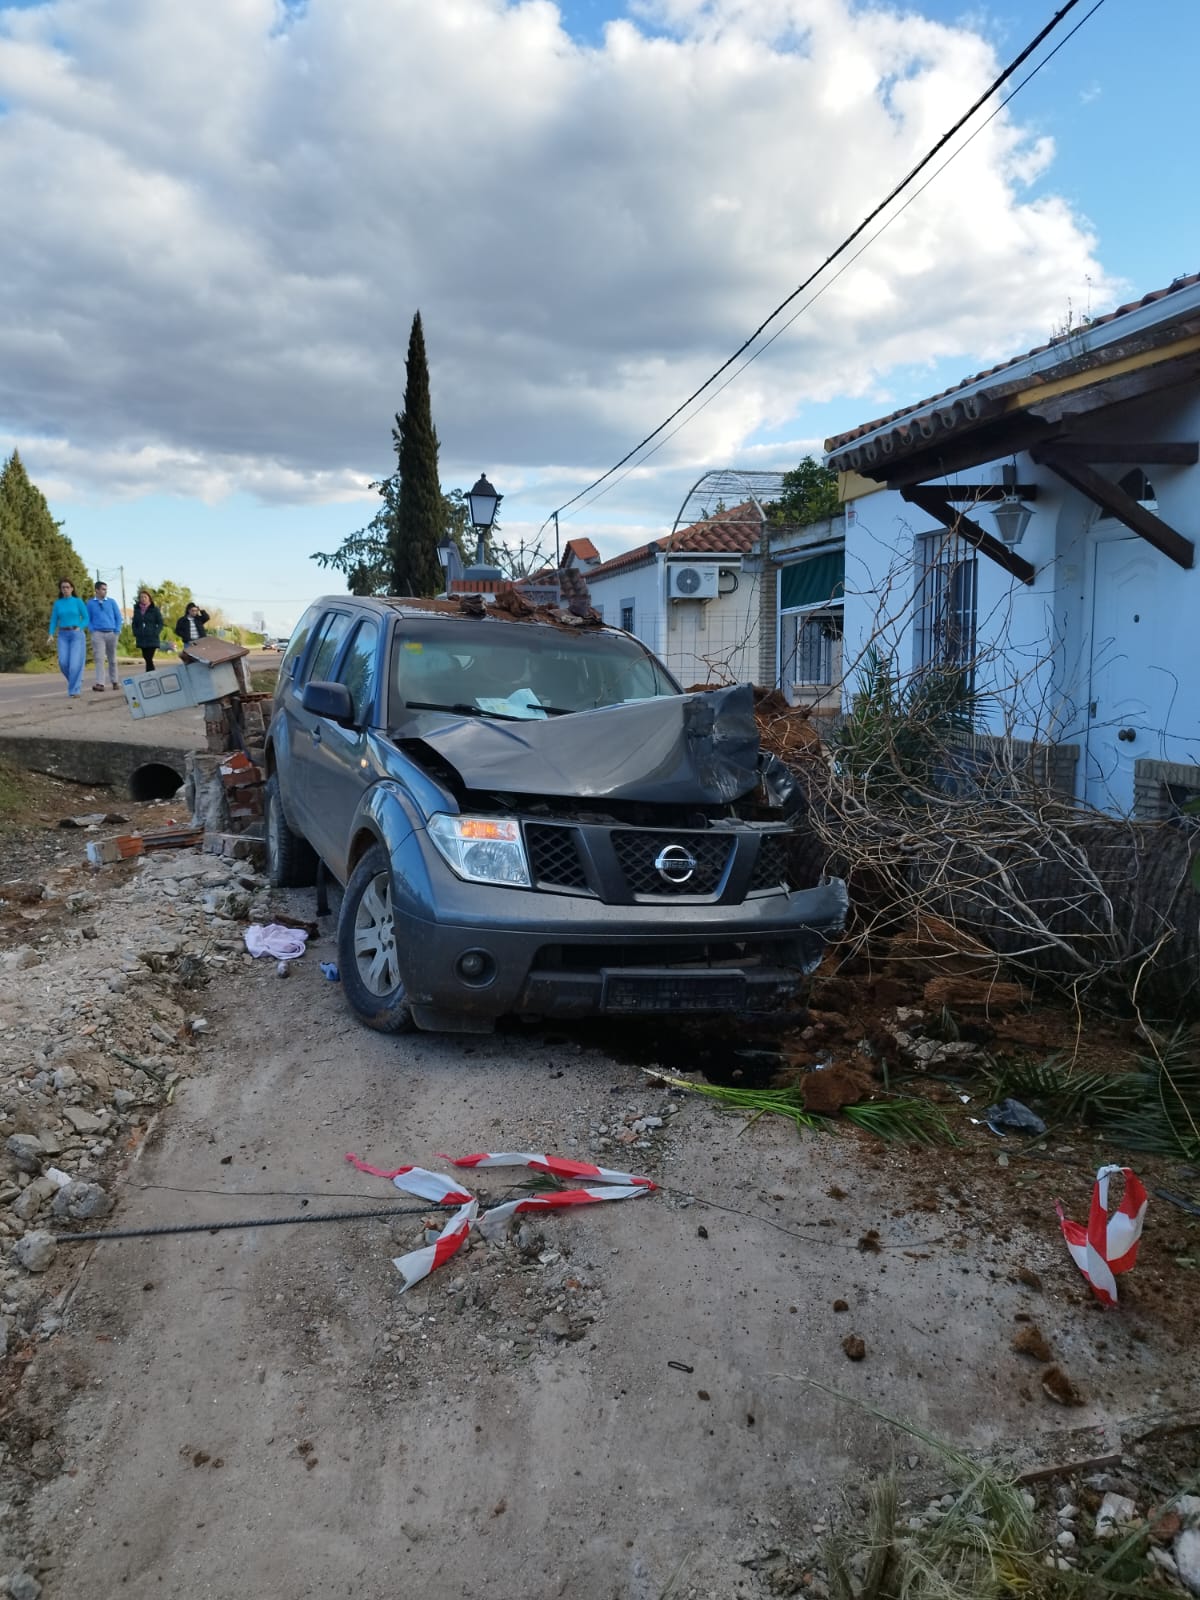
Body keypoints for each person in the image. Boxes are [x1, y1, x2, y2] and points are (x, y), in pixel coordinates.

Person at [46, 579, 90, 699]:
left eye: (67, 587)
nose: (65, 589)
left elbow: (86, 618)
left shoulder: (78, 602)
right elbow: (54, 620)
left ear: (72, 588)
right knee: (63, 662)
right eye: (63, 587)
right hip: (63, 635)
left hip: (76, 634)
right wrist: (50, 634)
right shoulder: (58, 603)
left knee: (74, 664)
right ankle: (76, 681)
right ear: (61, 590)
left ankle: (74, 690)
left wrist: (80, 627)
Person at [86, 580, 123, 691]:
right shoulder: (90, 603)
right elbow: (87, 618)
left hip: (111, 632)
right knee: (99, 658)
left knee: (112, 659)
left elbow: (118, 617)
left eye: (106, 589)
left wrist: (117, 630)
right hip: (98, 633)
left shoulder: (111, 602)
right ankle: (100, 683)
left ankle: (115, 681)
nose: (105, 591)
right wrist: (92, 629)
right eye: (102, 589)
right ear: (96, 590)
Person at [131, 588, 164, 671]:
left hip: (152, 637)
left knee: (149, 658)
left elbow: (160, 623)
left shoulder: (154, 609)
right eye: (141, 597)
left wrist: (156, 632)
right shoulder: (137, 610)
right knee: (146, 658)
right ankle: (151, 675)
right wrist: (136, 632)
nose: (143, 599)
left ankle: (150, 675)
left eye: (145, 597)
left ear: (149, 598)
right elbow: (134, 623)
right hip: (141, 638)